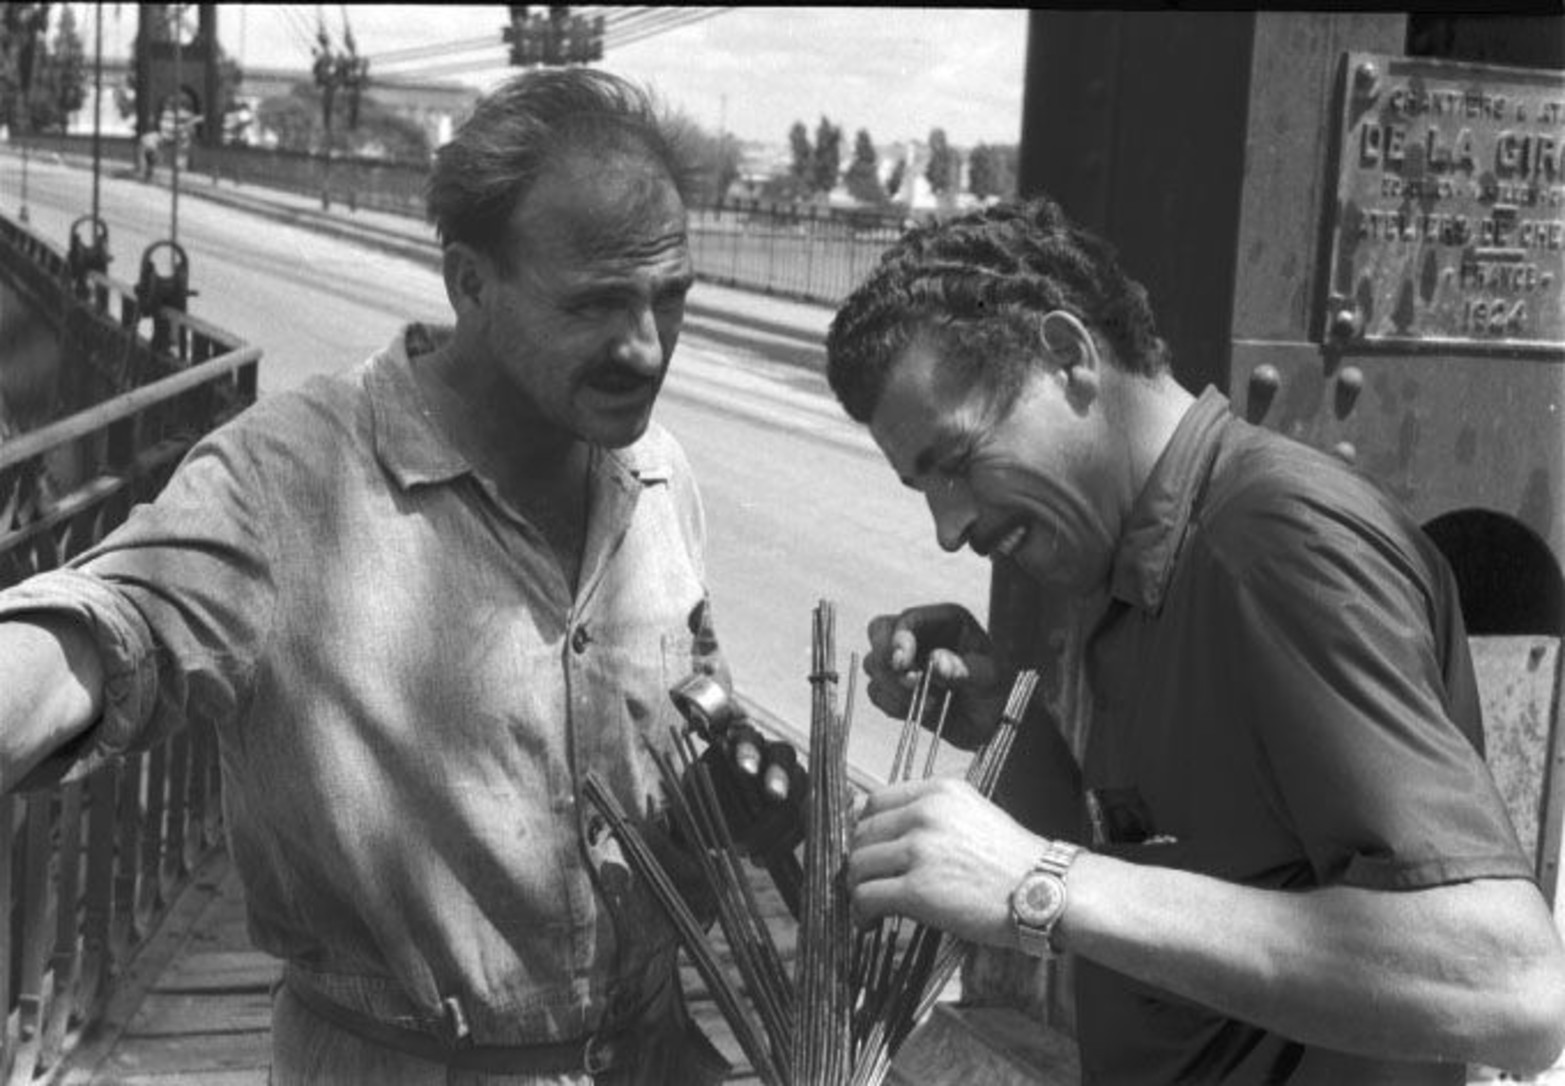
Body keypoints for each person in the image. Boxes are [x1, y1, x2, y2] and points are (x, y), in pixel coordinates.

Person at [0, 69, 796, 1085]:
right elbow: (115, 624)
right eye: (597, 304)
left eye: (670, 298)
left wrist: (720, 797)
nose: (645, 348)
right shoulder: (288, 476)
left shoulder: (656, 474)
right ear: (470, 282)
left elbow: (669, 726)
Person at [827, 196, 1565, 1083]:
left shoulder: (1268, 543)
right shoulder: (1137, 558)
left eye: (956, 461)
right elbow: (1169, 899)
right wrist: (998, 725)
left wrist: (1039, 880)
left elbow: (1511, 986)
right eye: (921, 486)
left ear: (1067, 358)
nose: (948, 527)